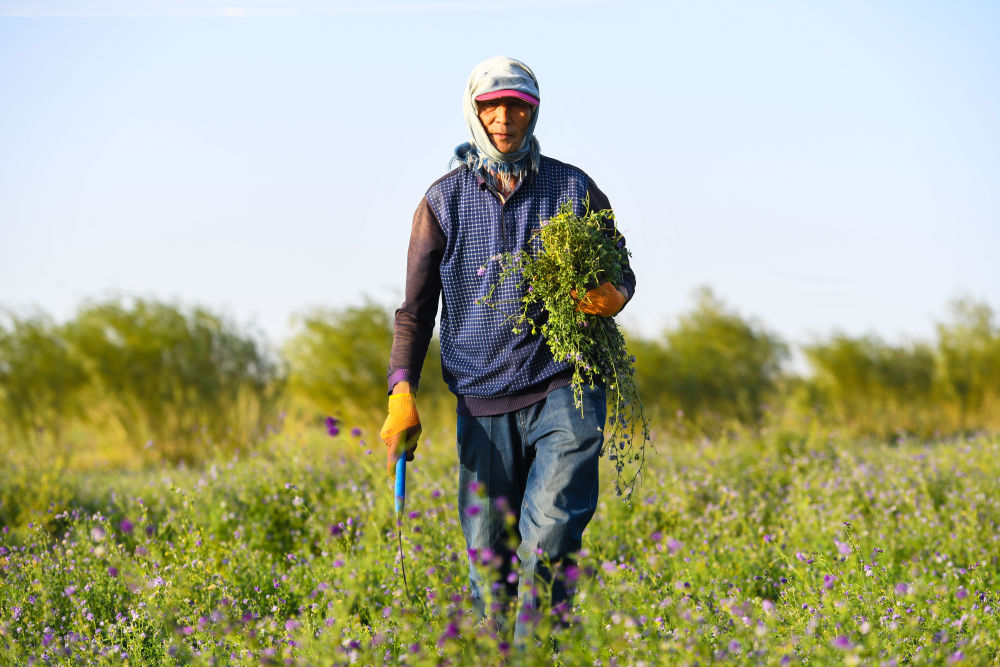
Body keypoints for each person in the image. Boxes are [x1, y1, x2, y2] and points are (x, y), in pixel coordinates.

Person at [379, 55, 636, 643]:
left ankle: (532, 657)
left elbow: (621, 268)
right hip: (481, 401)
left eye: (517, 105)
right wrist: (402, 392)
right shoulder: (442, 202)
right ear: (474, 112)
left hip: (564, 387)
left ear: (533, 112)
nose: (504, 118)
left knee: (548, 540)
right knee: (488, 558)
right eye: (491, 106)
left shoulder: (573, 189)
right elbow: (415, 312)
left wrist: (612, 293)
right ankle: (499, 653)